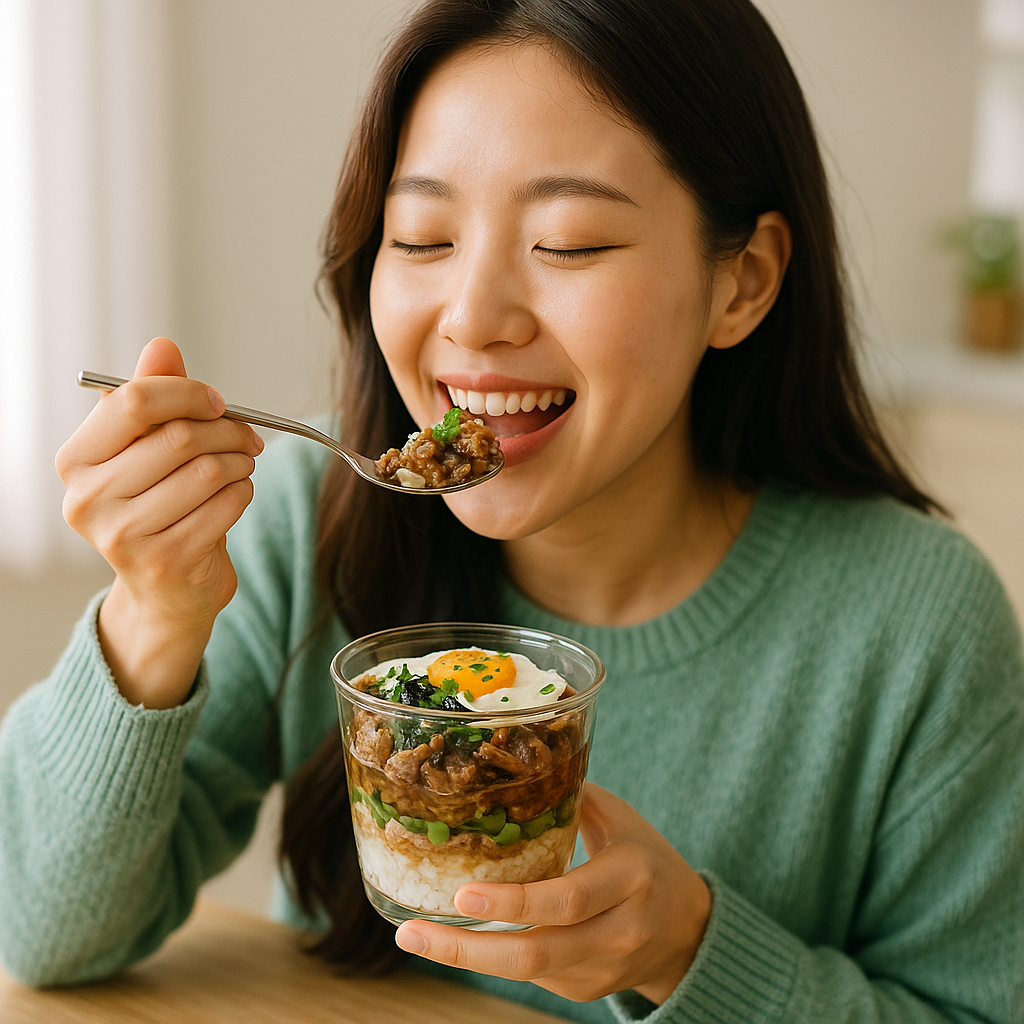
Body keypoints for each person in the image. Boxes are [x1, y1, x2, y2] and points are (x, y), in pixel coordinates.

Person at [1, 0, 1022, 1020]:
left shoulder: (914, 621)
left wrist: (687, 952)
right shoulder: (306, 519)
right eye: (421, 236)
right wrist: (153, 614)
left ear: (741, 282)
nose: (475, 318)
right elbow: (41, 932)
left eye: (568, 243)